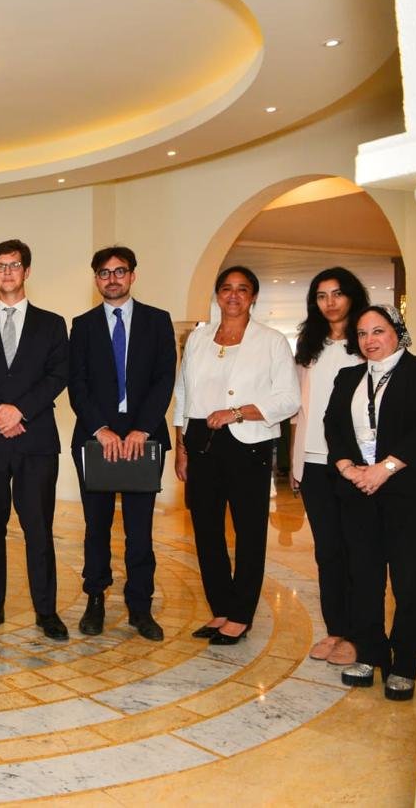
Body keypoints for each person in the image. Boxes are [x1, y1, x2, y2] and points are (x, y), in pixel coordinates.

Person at [172, 265, 298, 644]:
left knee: (249, 531)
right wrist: (181, 447)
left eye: (243, 289)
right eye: (226, 288)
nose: (233, 295)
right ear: (217, 295)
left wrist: (238, 412)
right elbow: (183, 393)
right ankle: (221, 608)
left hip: (248, 442)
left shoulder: (272, 341)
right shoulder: (199, 338)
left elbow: (288, 399)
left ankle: (241, 614)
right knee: (206, 530)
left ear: (253, 297)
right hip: (200, 440)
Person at [0, 239, 69, 639]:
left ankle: (46, 611)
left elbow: (58, 375)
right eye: (1, 266)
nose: (8, 272)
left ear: (27, 271)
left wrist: (19, 410)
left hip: (34, 439)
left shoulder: (52, 324)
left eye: (15, 265)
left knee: (38, 528)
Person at [327, 305, 416, 701]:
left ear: (397, 332)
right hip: (358, 493)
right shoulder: (348, 377)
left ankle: (405, 662)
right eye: (361, 333)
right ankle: (369, 652)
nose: (369, 340)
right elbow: (333, 425)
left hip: (410, 495)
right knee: (364, 578)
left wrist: (385, 468)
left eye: (378, 331)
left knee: (409, 581)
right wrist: (346, 467)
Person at [67, 246, 176, 641]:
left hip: (143, 440)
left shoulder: (157, 321)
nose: (112, 279)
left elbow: (165, 378)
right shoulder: (82, 325)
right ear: (96, 278)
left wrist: (142, 429)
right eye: (104, 272)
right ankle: (95, 599)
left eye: (119, 271)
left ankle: (140, 607)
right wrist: (100, 428)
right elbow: (76, 383)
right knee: (95, 527)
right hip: (96, 438)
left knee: (139, 531)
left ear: (132, 275)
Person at [290, 268, 367, 663]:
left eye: (337, 293)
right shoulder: (310, 346)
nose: (330, 302)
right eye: (321, 296)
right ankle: (335, 629)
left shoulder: (366, 343)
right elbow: (298, 410)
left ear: (352, 296)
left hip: (355, 463)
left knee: (358, 551)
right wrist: (296, 463)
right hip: (314, 461)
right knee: (327, 552)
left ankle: (358, 634)